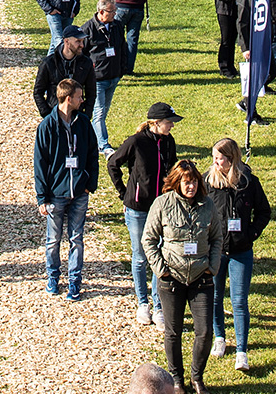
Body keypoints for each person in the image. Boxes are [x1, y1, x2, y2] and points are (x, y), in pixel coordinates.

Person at [143, 159, 225, 394]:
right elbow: (148, 240)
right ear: (177, 183)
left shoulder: (208, 205)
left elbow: (217, 238)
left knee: (205, 331)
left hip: (201, 277)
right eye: (187, 183)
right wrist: (161, 269)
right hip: (171, 279)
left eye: (195, 182)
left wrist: (212, 266)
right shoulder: (162, 204)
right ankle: (177, 380)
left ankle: (197, 377)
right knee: (173, 331)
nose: (191, 187)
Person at [111, 103, 182, 326]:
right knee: (141, 256)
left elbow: (171, 171)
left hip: (162, 208)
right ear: (155, 123)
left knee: (160, 255)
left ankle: (158, 304)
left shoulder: (169, 142)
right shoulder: (136, 142)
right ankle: (143, 303)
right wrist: (125, 194)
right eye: (168, 122)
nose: (171, 125)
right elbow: (113, 163)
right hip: (138, 209)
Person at [207, 137, 271, 373]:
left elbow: (264, 211)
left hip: (240, 252)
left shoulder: (249, 183)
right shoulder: (208, 181)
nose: (215, 162)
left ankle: (242, 351)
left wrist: (251, 233)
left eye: (220, 158)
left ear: (231, 159)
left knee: (239, 302)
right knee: (215, 297)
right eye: (214, 158)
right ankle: (219, 338)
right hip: (215, 251)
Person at [35, 78, 99, 300]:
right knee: (53, 240)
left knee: (77, 239)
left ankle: (75, 281)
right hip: (56, 194)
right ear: (68, 98)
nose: (83, 100)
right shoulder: (46, 126)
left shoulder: (83, 123)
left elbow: (93, 153)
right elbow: (40, 163)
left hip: (79, 192)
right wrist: (42, 197)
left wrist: (90, 184)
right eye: (80, 97)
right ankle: (53, 277)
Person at [80, 0, 130, 152]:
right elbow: (81, 55)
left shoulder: (117, 26)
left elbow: (122, 47)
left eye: (115, 10)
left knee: (103, 112)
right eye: (111, 11)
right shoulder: (87, 29)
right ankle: (103, 145)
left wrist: (121, 70)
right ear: (101, 12)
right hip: (97, 79)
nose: (115, 14)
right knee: (99, 112)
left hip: (113, 76)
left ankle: (93, 140)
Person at [35, 32, 97, 115]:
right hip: (54, 112)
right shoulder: (49, 63)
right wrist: (46, 114)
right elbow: (38, 92)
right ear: (66, 41)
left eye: (82, 41)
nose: (82, 45)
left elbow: (91, 92)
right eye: (78, 41)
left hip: (78, 115)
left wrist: (87, 114)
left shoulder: (86, 63)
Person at [210, 0, 245, 79]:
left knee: (232, 39)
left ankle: (231, 66)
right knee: (226, 40)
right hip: (224, 12)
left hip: (235, 11)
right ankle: (224, 67)